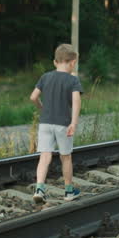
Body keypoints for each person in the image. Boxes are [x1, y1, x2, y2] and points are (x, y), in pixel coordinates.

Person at [29, 43, 83, 203]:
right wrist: (73, 123)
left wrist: (42, 108)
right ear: (73, 62)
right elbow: (76, 102)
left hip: (45, 123)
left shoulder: (45, 77)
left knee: (44, 156)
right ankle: (68, 192)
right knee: (65, 157)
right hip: (63, 124)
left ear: (55, 62)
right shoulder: (73, 80)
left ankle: (39, 189)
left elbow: (33, 97)